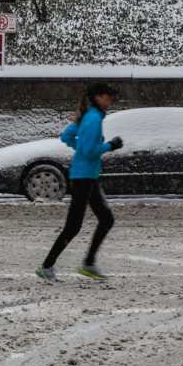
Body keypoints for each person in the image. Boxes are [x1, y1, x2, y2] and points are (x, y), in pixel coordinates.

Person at [36, 83, 123, 282]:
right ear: (98, 97)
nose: (111, 100)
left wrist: (81, 149)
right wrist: (110, 145)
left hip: (86, 176)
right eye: (108, 97)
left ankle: (88, 264)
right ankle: (47, 266)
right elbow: (89, 151)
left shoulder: (88, 116)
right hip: (83, 178)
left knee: (106, 219)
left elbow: (66, 136)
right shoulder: (93, 119)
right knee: (74, 226)